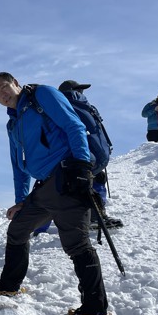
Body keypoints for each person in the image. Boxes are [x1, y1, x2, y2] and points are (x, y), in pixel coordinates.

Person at [0, 72, 110, 315]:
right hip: (43, 188)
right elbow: (19, 168)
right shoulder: (13, 124)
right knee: (18, 230)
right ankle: (9, 285)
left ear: (16, 83)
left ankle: (95, 308)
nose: (2, 94)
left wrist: (82, 166)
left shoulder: (42, 95)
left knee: (76, 243)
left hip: (67, 175)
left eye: (3, 87)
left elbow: (73, 125)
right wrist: (21, 202)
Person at [58, 80, 123, 230]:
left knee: (93, 180)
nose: (81, 92)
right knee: (85, 183)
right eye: (79, 89)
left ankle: (96, 215)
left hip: (90, 152)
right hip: (89, 153)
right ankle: (93, 217)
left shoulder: (72, 106)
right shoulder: (77, 106)